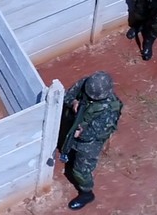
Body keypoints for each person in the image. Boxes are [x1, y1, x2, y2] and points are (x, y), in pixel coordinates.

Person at [60, 71, 123, 210]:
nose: (91, 98)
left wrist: (80, 133)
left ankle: (86, 193)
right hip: (75, 124)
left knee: (81, 170)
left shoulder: (110, 109)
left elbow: (97, 133)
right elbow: (67, 96)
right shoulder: (86, 84)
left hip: (90, 142)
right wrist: (74, 103)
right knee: (66, 144)